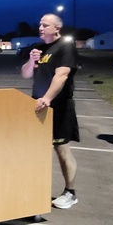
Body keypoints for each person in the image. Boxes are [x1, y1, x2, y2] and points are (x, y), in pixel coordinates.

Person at [21, 13, 80, 210]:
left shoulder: (65, 46)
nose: (41, 27)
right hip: (38, 105)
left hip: (59, 105)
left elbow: (62, 75)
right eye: (39, 24)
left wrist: (48, 98)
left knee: (62, 149)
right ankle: (35, 187)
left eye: (45, 25)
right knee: (36, 148)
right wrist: (31, 60)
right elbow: (26, 74)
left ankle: (70, 192)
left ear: (57, 29)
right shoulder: (38, 48)